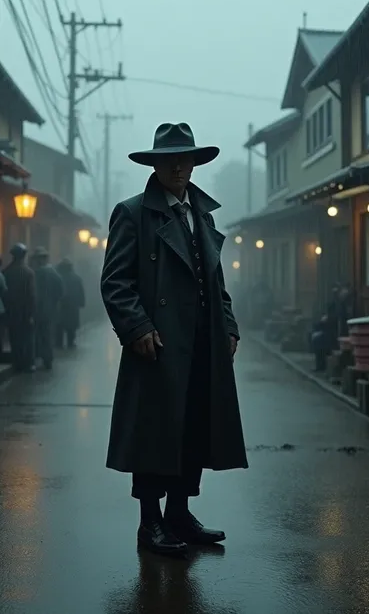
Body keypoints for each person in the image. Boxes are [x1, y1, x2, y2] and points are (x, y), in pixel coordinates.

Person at [101, 122, 248, 558]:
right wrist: (138, 328)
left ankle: (180, 514)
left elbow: (215, 280)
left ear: (195, 163)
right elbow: (115, 283)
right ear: (156, 164)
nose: (180, 167)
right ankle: (151, 523)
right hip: (159, 345)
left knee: (192, 429)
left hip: (202, 342)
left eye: (186, 159)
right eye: (170, 160)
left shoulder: (202, 213)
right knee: (153, 434)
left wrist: (229, 325)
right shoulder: (132, 213)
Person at [3, 243, 36, 372]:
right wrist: (32, 314)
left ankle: (16, 361)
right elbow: (32, 295)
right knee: (27, 338)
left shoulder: (6, 272)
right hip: (25, 311)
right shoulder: (28, 273)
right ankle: (27, 363)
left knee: (14, 337)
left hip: (10, 310)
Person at [31, 247, 64, 370]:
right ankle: (47, 359)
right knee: (47, 334)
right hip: (50, 310)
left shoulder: (36, 273)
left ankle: (43, 357)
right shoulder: (54, 274)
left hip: (39, 310)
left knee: (41, 334)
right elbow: (61, 291)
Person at [55, 258, 86, 349]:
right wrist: (81, 302)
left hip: (61, 305)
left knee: (59, 325)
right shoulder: (76, 278)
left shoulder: (58, 277)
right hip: (72, 305)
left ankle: (59, 343)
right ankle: (70, 342)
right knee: (71, 326)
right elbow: (81, 292)